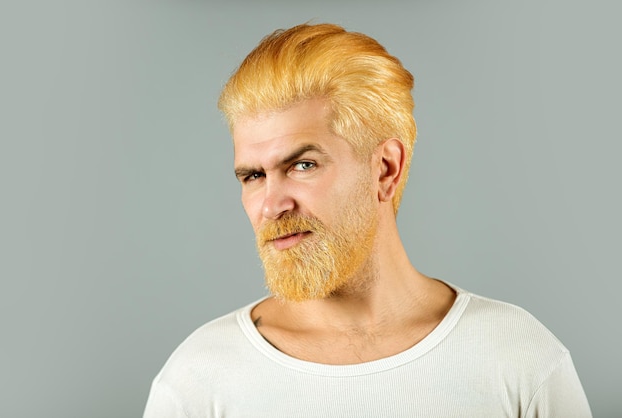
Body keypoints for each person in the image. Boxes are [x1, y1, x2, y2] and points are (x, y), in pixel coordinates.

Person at [143, 23, 591, 417]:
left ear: (385, 169)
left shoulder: (520, 359)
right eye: (253, 175)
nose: (271, 205)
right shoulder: (197, 381)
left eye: (303, 165)